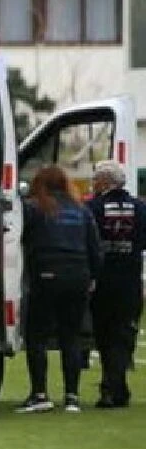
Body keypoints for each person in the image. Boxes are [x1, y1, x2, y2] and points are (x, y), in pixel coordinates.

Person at [15, 165, 103, 414]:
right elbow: (94, 247)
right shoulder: (81, 210)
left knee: (37, 336)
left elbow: (21, 240)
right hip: (78, 275)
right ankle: (72, 396)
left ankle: (40, 393)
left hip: (46, 273)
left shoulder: (34, 208)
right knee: (71, 337)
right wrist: (93, 275)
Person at [86, 160, 146, 409]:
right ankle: (116, 386)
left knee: (104, 334)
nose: (93, 183)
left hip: (102, 282)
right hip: (130, 281)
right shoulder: (140, 208)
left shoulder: (93, 207)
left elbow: (88, 241)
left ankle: (111, 387)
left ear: (104, 182)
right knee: (123, 334)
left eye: (95, 179)